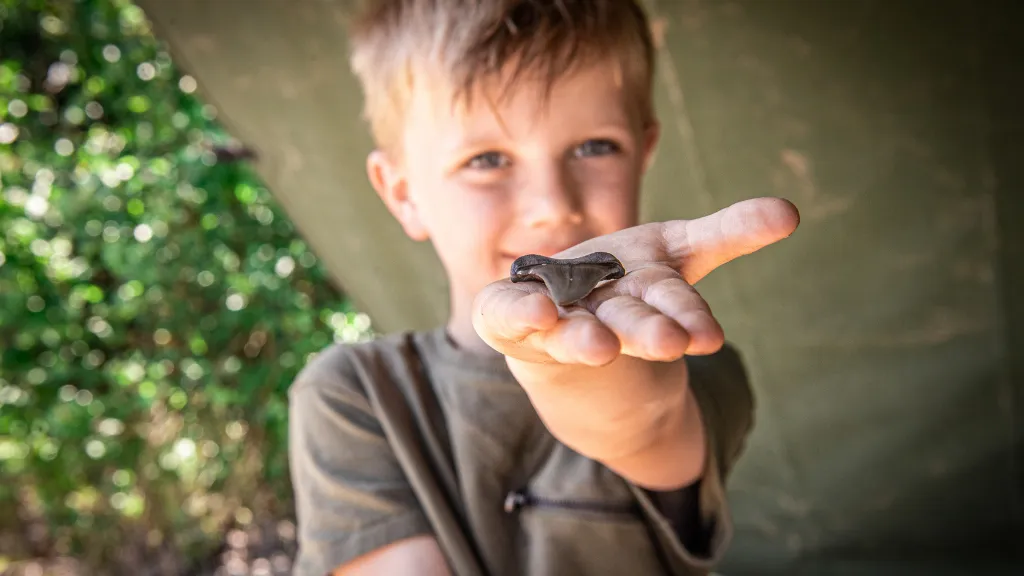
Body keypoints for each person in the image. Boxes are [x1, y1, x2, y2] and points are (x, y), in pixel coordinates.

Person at [287, 1, 800, 575]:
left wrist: (581, 377)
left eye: (594, 147)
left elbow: (650, 426)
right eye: (486, 159)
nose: (552, 205)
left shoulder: (693, 359)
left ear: (644, 152)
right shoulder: (355, 396)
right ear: (403, 192)